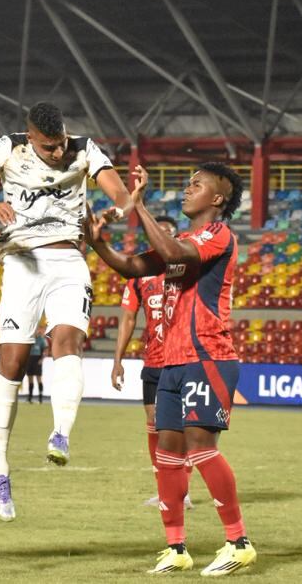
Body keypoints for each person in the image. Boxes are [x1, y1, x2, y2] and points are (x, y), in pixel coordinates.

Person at [0, 101, 133, 522]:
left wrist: (115, 210)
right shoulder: (7, 148)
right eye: (48, 146)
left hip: (68, 259)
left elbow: (119, 192)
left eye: (60, 143)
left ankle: (61, 433)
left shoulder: (84, 149)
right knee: (11, 361)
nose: (56, 152)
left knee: (68, 340)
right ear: (31, 139)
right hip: (21, 262)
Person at [87, 164, 256, 576]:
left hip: (208, 356)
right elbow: (131, 268)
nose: (187, 190)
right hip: (172, 362)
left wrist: (139, 205)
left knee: (201, 449)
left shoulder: (217, 235)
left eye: (196, 185)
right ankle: (176, 547)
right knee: (167, 455)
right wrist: (98, 244)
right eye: (187, 183)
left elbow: (176, 256)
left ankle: (239, 542)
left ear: (216, 199)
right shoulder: (177, 240)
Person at [111, 214, 193, 507]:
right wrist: (117, 359)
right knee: (154, 422)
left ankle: (182, 492)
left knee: (183, 426)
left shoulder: (186, 267)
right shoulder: (140, 273)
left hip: (184, 358)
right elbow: (129, 317)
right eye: (157, 232)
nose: (163, 237)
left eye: (168, 233)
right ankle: (163, 489)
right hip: (154, 360)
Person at [25, 324, 47, 404]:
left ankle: (40, 398)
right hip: (30, 359)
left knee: (39, 379)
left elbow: (45, 351)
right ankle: (30, 398)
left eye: (38, 330)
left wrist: (41, 359)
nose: (37, 331)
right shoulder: (29, 339)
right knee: (30, 379)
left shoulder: (41, 340)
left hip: (37, 360)